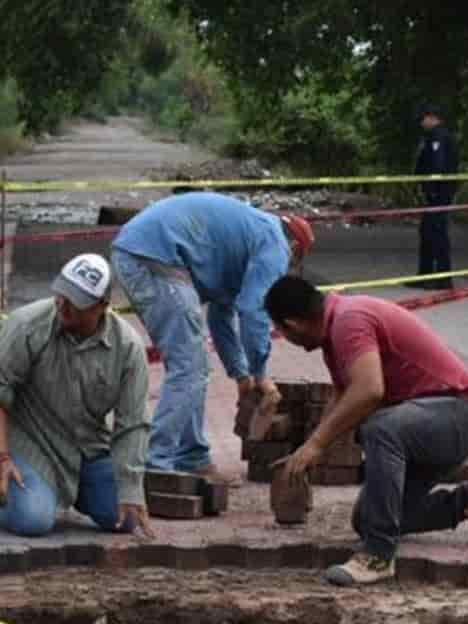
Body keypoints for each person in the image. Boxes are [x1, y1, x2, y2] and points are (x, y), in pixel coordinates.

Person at [265, 274, 468, 587]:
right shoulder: (336, 330)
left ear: (293, 324)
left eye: (280, 329)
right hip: (428, 425)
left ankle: (378, 555)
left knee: (380, 428)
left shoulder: (349, 321)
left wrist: (318, 445)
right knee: (368, 518)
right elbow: (342, 397)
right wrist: (307, 450)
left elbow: (369, 391)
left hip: (460, 414)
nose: (282, 336)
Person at [111, 192, 315, 478]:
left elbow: (222, 316)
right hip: (154, 257)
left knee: (192, 366)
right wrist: (260, 374)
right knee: (189, 368)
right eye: (293, 262)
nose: (285, 270)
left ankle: (192, 457)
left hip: (144, 251)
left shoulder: (246, 239)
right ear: (295, 247)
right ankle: (155, 464)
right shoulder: (275, 243)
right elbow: (253, 311)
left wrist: (241, 376)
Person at [0, 252, 155, 539]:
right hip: (31, 445)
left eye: (76, 301)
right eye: (62, 294)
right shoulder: (27, 326)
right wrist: (0, 458)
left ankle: (68, 492)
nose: (64, 305)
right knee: (34, 519)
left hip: (87, 451)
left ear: (102, 306)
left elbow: (133, 423)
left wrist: (131, 488)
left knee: (125, 517)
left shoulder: (128, 348)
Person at [414, 106, 456, 290]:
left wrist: (432, 188)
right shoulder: (435, 136)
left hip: (438, 193)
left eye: (423, 119)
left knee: (437, 234)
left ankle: (443, 277)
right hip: (436, 192)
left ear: (432, 117)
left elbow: (437, 164)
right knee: (427, 232)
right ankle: (425, 274)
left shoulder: (439, 136)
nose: (422, 123)